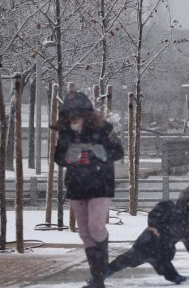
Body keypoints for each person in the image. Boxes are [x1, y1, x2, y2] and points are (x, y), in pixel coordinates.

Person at [54, 91, 124, 288]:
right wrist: (70, 155)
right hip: (76, 184)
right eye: (70, 116)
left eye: (77, 116)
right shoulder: (66, 133)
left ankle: (101, 269)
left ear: (87, 114)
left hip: (100, 184)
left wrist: (98, 153)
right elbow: (58, 158)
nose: (74, 120)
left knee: (96, 227)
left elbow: (118, 152)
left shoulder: (103, 129)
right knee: (84, 231)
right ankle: (98, 278)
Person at [102, 185, 189, 285]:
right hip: (146, 245)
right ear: (185, 201)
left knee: (167, 270)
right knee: (123, 261)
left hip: (163, 254)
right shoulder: (169, 206)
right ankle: (99, 277)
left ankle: (177, 278)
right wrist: (153, 225)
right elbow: (156, 213)